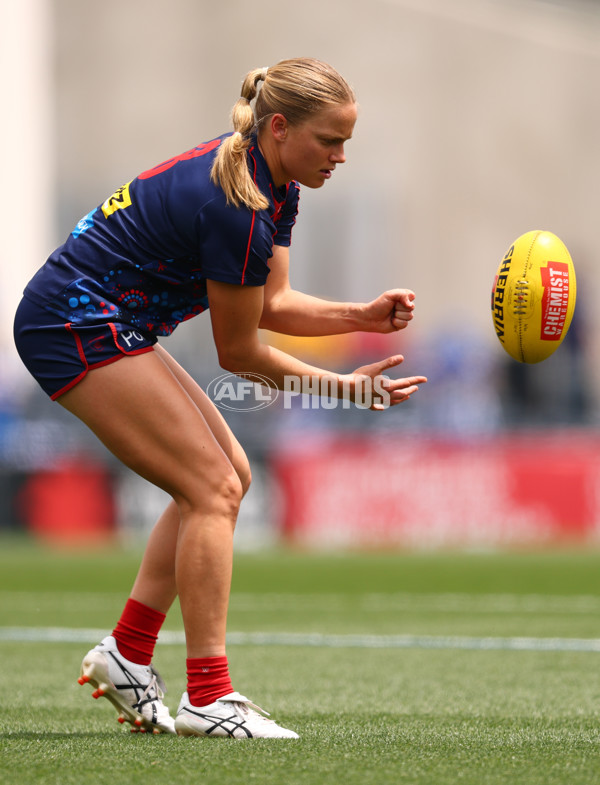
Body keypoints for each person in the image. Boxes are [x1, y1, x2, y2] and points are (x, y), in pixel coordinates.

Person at [13, 57, 427, 739]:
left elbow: (272, 304)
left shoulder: (274, 183)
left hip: (107, 319)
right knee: (211, 487)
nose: (341, 156)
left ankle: (127, 652)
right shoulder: (236, 203)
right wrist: (346, 388)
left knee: (229, 476)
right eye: (330, 140)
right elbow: (240, 354)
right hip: (72, 322)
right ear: (279, 126)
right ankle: (208, 695)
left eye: (346, 141)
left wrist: (361, 315)